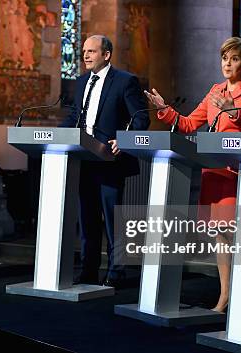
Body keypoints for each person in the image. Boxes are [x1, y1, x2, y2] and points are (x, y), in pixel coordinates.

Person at [145, 37, 241, 312]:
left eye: (234, 58)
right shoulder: (215, 91)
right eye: (225, 57)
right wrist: (164, 109)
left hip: (238, 172)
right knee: (220, 236)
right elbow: (188, 124)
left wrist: (232, 110)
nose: (227, 63)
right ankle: (225, 295)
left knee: (239, 235)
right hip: (214, 171)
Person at [59, 35, 150, 288]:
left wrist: (125, 139)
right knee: (87, 219)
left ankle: (116, 271)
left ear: (106, 55)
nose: (86, 55)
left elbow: (141, 118)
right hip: (84, 160)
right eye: (84, 51)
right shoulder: (81, 82)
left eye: (92, 51)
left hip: (110, 160)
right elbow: (75, 116)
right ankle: (88, 270)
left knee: (112, 219)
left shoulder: (125, 81)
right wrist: (58, 135)